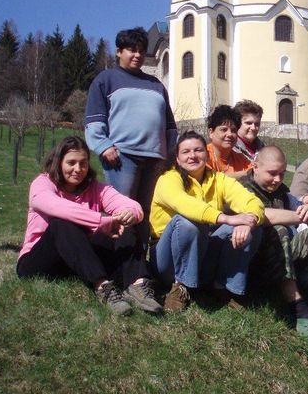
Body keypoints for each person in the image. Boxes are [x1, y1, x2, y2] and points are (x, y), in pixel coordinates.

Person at [17, 136, 162, 315]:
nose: (78, 169)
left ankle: (138, 284)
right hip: (39, 261)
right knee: (61, 223)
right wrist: (101, 221)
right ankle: (103, 288)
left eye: (83, 163)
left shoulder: (95, 188)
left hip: (78, 260)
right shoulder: (43, 184)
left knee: (124, 225)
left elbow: (131, 206)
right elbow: (57, 207)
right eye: (71, 163)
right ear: (58, 162)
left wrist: (128, 214)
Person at [240, 146, 308, 342]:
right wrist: (301, 218)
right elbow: (263, 215)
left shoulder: (281, 191)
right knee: (279, 229)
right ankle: (298, 306)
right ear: (255, 167)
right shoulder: (242, 188)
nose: (278, 179)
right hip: (252, 262)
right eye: (272, 174)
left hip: (282, 257)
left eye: (282, 174)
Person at [149, 131, 265, 312]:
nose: (193, 155)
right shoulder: (168, 179)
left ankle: (223, 288)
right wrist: (227, 218)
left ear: (207, 154)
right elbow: (185, 204)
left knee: (253, 228)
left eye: (198, 150)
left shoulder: (218, 179)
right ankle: (180, 287)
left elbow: (253, 201)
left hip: (202, 250)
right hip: (168, 259)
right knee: (187, 222)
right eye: (186, 152)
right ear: (177, 159)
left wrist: (248, 221)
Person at [85, 27, 177, 246]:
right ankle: (119, 263)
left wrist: (169, 153)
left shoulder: (156, 85)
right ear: (119, 52)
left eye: (141, 51)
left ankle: (140, 265)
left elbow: (170, 126)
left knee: (145, 212)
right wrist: (104, 146)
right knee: (124, 210)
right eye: (131, 50)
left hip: (155, 159)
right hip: (121, 157)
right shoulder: (106, 79)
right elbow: (94, 118)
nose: (137, 55)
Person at [205, 105, 252, 179]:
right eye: (224, 129)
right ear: (211, 132)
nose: (230, 134)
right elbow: (209, 179)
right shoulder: (202, 155)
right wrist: (245, 174)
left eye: (233, 130)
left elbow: (257, 175)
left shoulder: (241, 159)